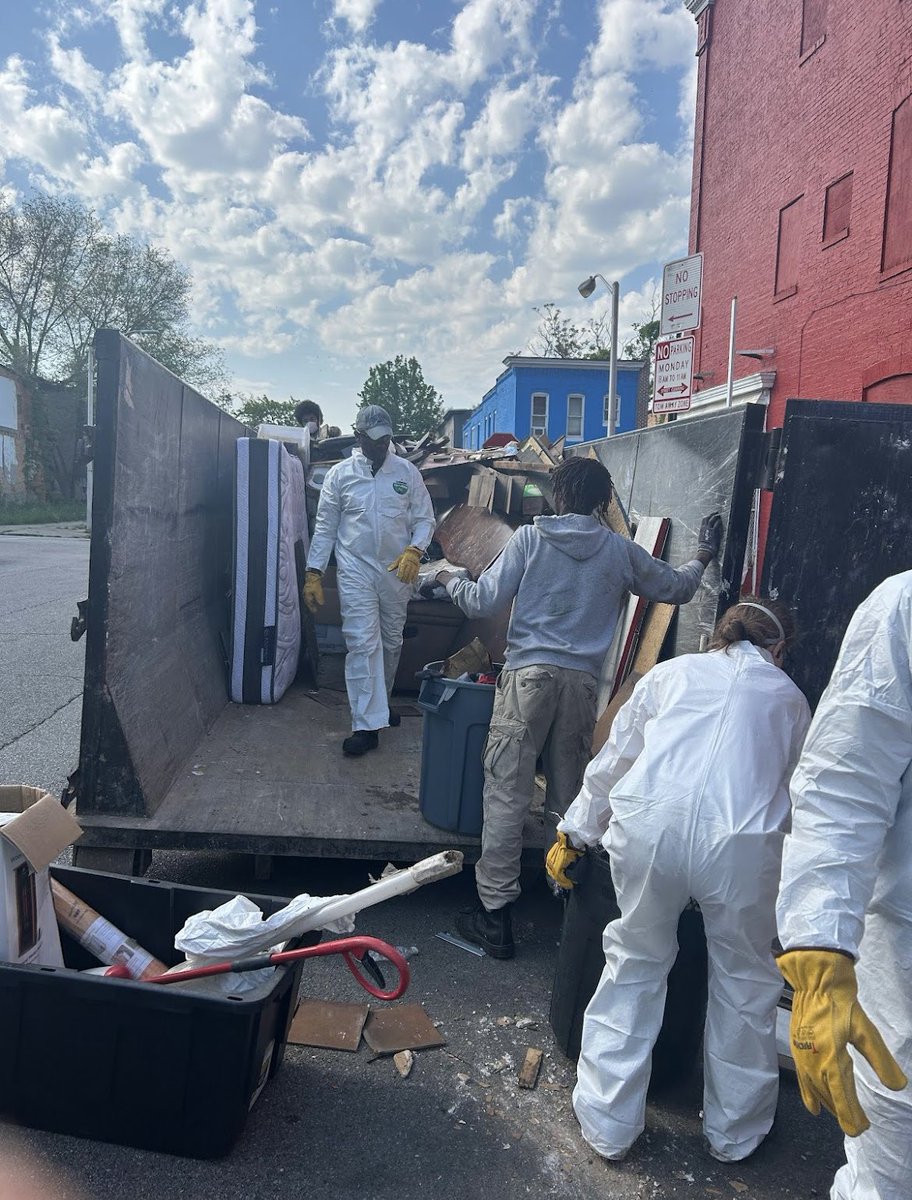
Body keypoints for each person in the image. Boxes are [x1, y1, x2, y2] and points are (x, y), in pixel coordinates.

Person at [549, 598, 810, 1163]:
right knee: (744, 981)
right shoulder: (790, 699)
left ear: (720, 634)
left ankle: (608, 1124)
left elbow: (615, 758)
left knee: (634, 962)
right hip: (740, 846)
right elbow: (798, 794)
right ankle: (736, 1134)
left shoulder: (671, 673)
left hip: (650, 828)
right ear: (780, 648)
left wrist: (575, 830)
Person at [436, 456, 723, 959]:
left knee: (506, 793)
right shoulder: (619, 550)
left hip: (527, 680)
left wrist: (445, 578)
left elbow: (481, 601)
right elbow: (677, 588)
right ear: (601, 501)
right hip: (581, 685)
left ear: (558, 496)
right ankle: (565, 898)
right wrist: (703, 553)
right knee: (570, 795)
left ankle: (495, 916)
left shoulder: (530, 540)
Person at [776, 571, 911, 1200]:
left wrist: (576, 827)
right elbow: (842, 782)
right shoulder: (905, 608)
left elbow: (836, 782)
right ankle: (735, 1129)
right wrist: (820, 949)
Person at [302, 405, 436, 756]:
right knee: (363, 643)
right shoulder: (340, 476)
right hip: (355, 571)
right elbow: (325, 527)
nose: (380, 446)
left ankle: (380, 704)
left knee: (390, 642)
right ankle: (365, 725)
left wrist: (415, 550)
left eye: (385, 439)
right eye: (373, 440)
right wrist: (314, 572)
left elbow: (425, 519)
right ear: (359, 436)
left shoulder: (406, 472)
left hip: (396, 572)